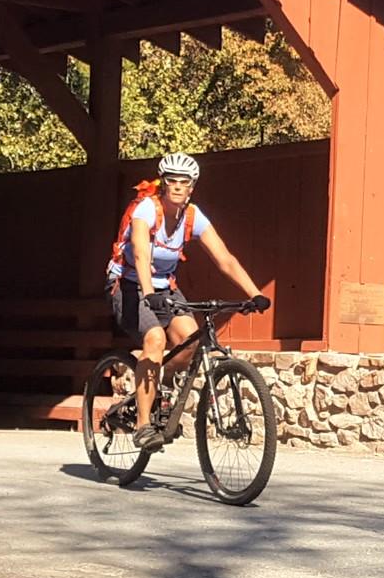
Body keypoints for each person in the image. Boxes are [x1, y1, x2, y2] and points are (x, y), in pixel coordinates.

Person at [105, 152, 269, 451]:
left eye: (185, 182)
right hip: (129, 284)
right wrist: (148, 294)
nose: (178, 187)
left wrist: (255, 294)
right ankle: (143, 426)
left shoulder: (193, 216)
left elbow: (225, 259)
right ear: (163, 184)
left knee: (192, 341)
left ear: (192, 187)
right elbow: (140, 255)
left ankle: (157, 379)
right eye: (172, 181)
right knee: (155, 338)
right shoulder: (146, 210)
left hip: (165, 287)